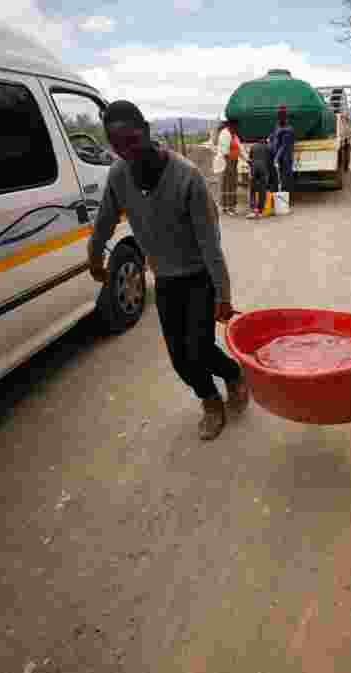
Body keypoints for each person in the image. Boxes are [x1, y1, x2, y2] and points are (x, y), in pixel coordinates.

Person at [89, 100, 249, 441]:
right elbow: (104, 219)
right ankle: (210, 397)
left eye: (131, 141)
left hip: (198, 280)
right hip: (164, 281)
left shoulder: (187, 177)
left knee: (200, 350)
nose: (126, 152)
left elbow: (210, 244)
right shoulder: (119, 176)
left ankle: (231, 379)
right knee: (180, 359)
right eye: (117, 146)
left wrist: (223, 294)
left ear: (146, 131)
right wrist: (94, 256)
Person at [269, 104, 296, 195]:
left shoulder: (288, 130)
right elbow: (273, 137)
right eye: (278, 116)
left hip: (285, 158)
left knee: (285, 178)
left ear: (284, 117)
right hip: (279, 157)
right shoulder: (278, 127)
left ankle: (285, 197)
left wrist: (276, 157)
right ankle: (280, 195)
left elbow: (284, 146)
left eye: (281, 117)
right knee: (278, 177)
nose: (279, 119)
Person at [217, 117, 241, 216]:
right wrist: (229, 166)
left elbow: (240, 148)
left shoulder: (234, 135)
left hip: (233, 161)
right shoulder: (224, 134)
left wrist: (247, 159)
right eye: (235, 127)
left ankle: (232, 206)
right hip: (225, 161)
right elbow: (225, 152)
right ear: (230, 125)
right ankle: (226, 208)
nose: (236, 129)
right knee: (226, 183)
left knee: (232, 183)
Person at [247, 140, 274, 220]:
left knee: (252, 188)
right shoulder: (268, 147)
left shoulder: (253, 146)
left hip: (254, 168)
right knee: (263, 189)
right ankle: (260, 210)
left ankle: (253, 209)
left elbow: (250, 158)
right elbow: (270, 161)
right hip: (263, 169)